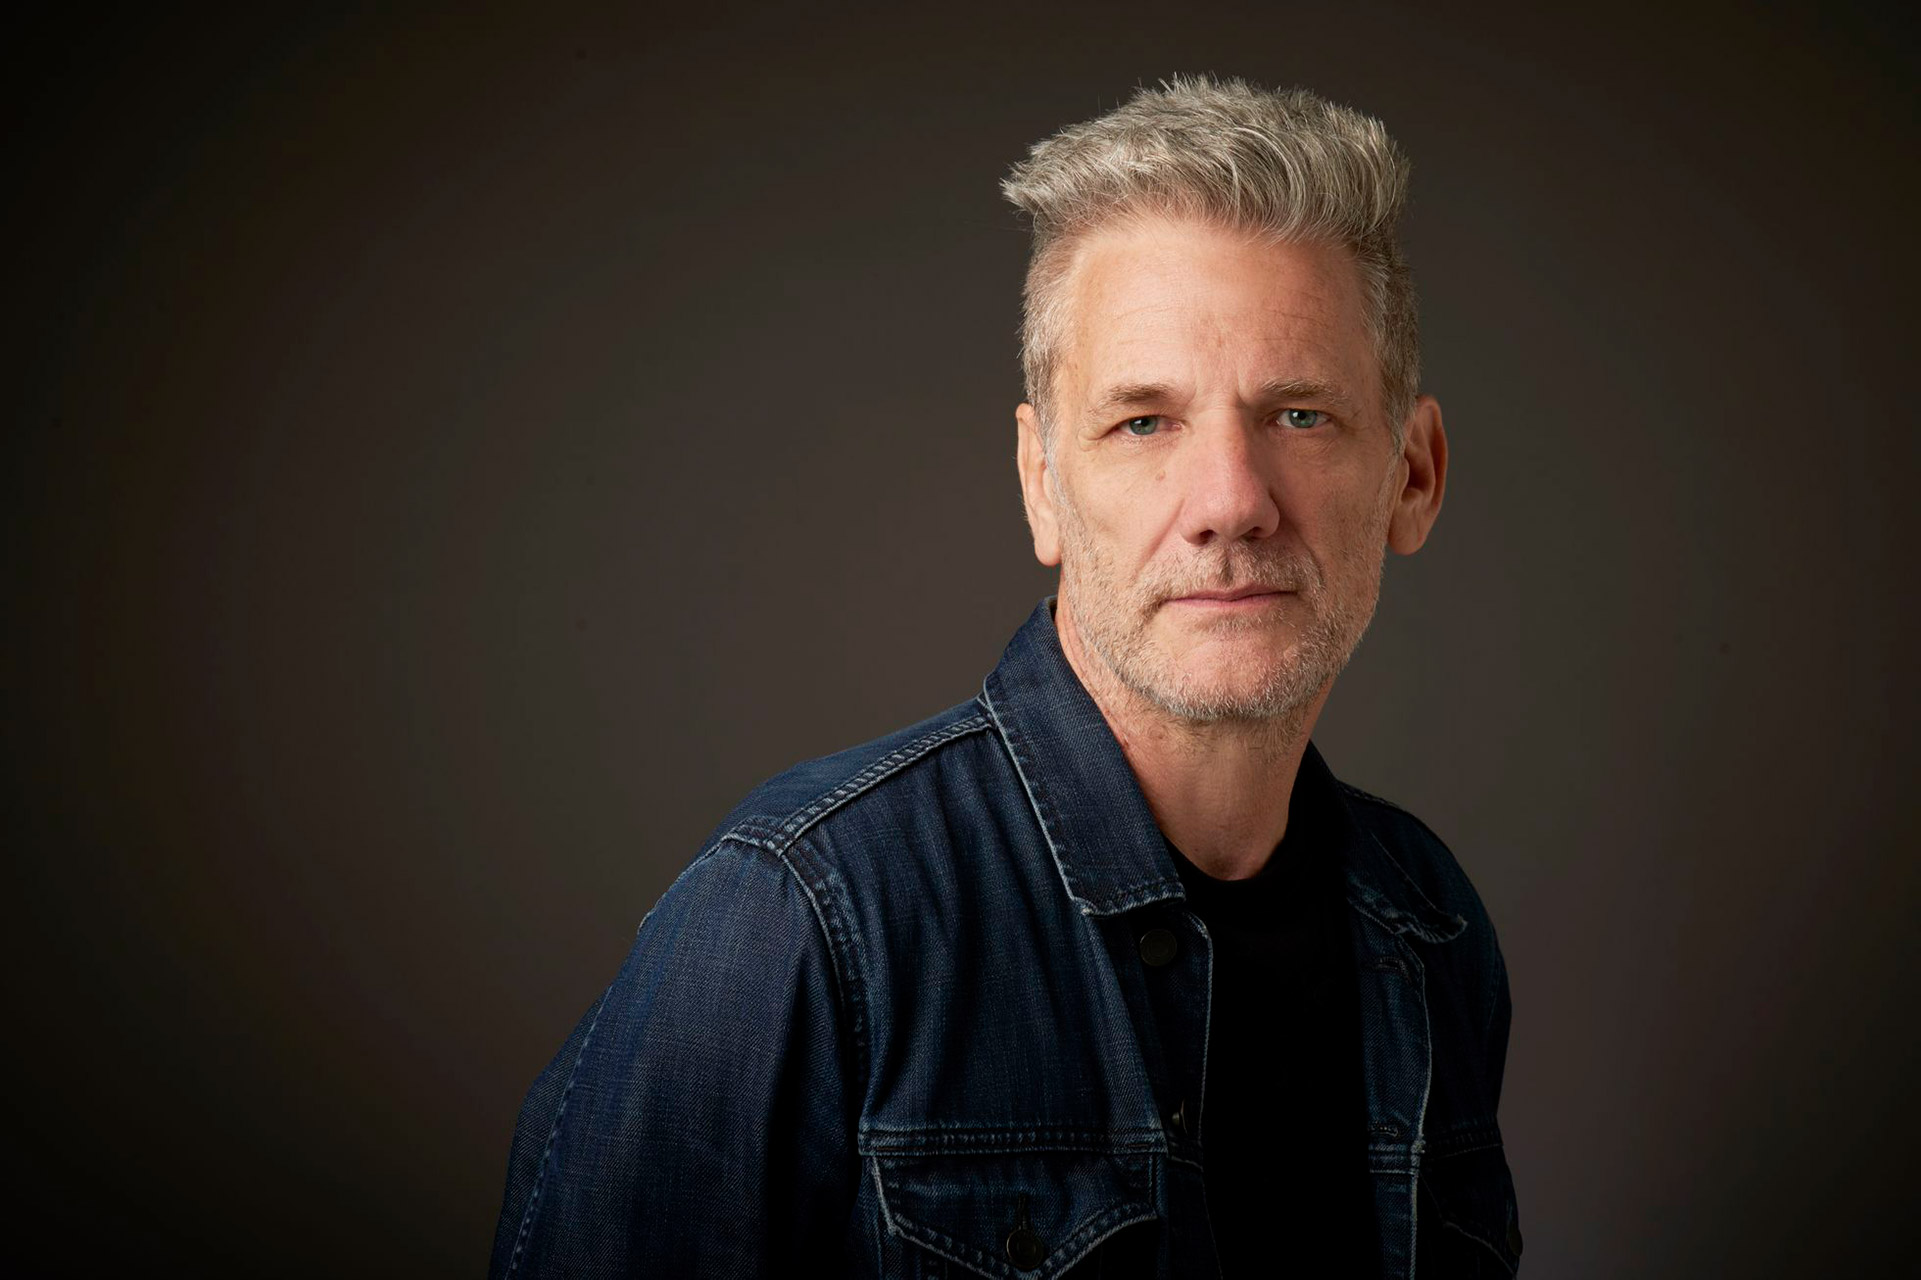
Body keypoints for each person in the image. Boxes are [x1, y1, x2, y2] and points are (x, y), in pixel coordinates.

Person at [489, 73, 1520, 1279]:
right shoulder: (801, 918)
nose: (1230, 501)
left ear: (1413, 475)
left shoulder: (1428, 924)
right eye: (1143, 422)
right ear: (1041, 482)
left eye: (1297, 414)